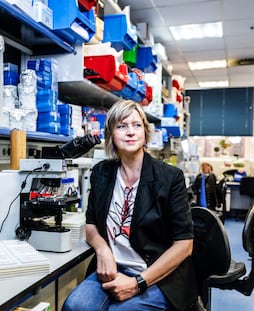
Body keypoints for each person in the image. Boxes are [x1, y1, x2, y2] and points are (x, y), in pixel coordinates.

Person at [62, 100, 196, 311]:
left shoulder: (170, 178)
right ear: (111, 135)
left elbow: (184, 245)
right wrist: (103, 250)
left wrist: (138, 283)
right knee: (74, 306)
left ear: (145, 132)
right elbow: (91, 225)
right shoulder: (101, 173)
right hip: (114, 268)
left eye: (137, 125)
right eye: (122, 126)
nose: (130, 132)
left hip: (156, 274)